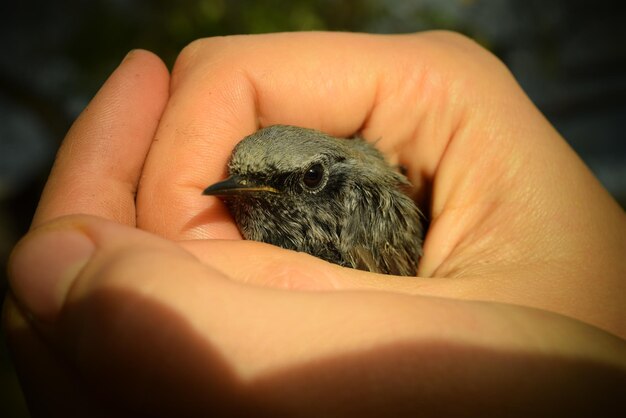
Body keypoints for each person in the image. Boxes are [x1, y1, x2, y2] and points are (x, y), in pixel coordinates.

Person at [4, 32, 625, 417]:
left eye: (298, 181)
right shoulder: (262, 203)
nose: (247, 190)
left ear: (325, 178)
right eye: (242, 177)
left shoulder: (361, 203)